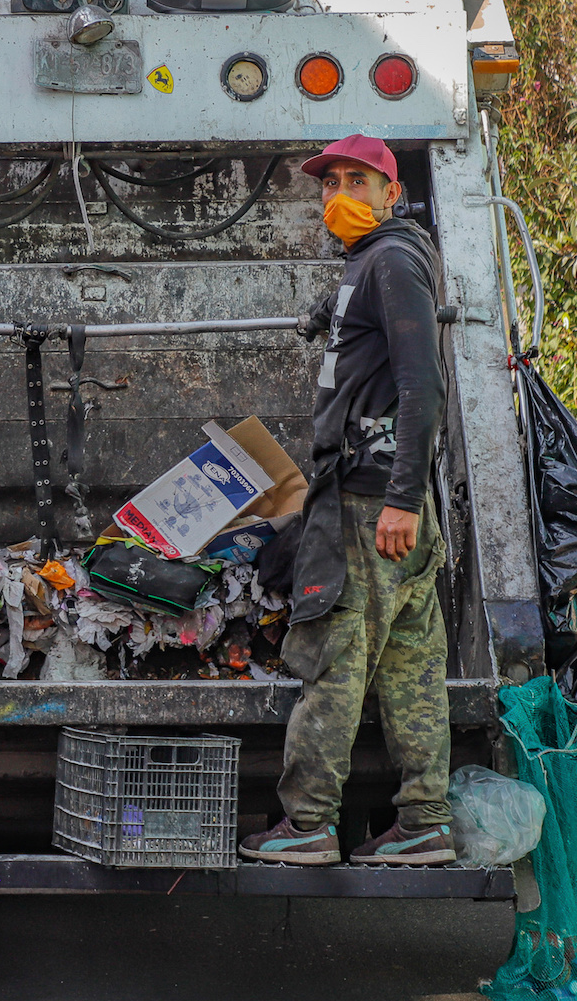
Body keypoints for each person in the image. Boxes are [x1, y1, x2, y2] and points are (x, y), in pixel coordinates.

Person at [240, 134, 454, 867]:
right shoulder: (371, 261)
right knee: (408, 666)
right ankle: (426, 820)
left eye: (357, 181)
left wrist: (402, 496)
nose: (341, 194)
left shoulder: (391, 259)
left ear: (392, 193)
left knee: (333, 658)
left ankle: (307, 826)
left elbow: (423, 382)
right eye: (331, 181)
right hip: (382, 500)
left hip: (371, 503)